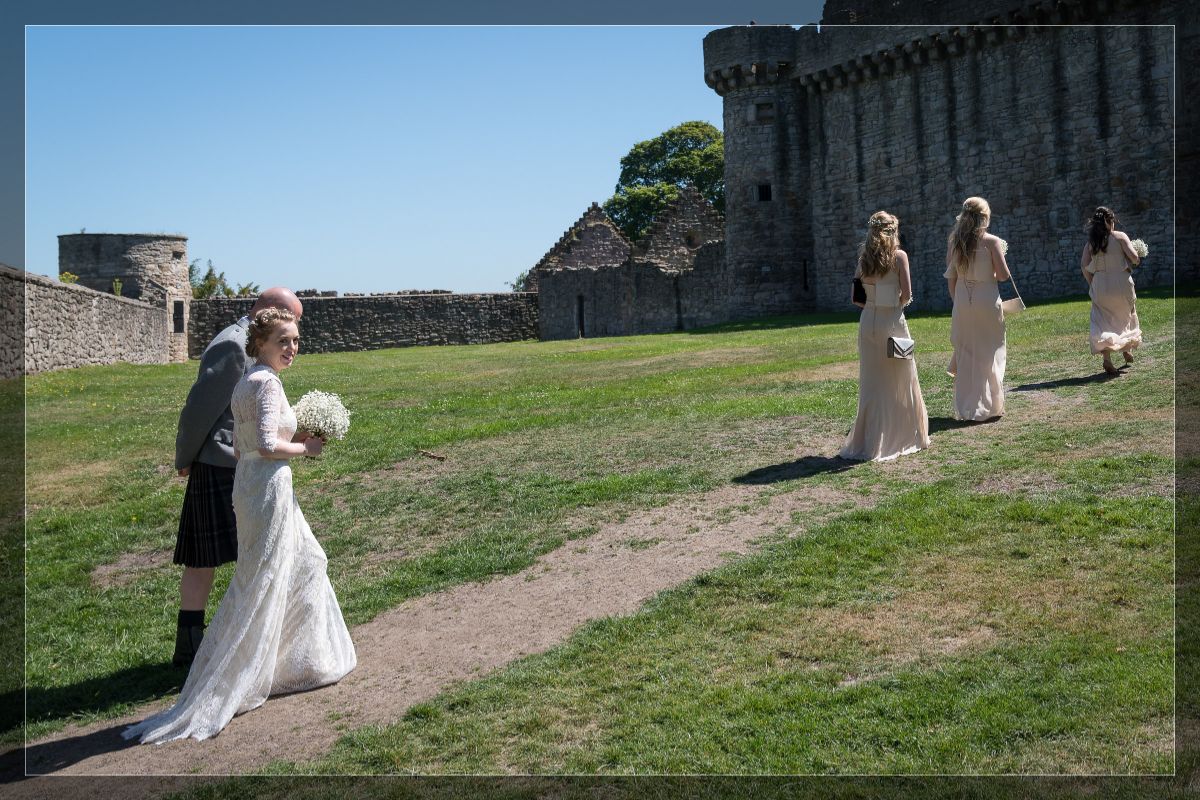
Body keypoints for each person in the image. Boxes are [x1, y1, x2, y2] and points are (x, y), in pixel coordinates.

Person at [126, 307, 356, 743]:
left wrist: (258, 461)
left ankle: (293, 657)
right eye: (283, 341)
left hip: (249, 485)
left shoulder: (245, 382)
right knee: (265, 575)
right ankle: (265, 667)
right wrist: (307, 448)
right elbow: (269, 444)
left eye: (295, 340)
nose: (292, 348)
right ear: (261, 344)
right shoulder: (267, 384)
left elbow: (241, 446)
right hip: (266, 489)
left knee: (303, 561)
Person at [170, 287, 304, 667]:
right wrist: (185, 457)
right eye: (290, 321)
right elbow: (200, 408)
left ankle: (247, 638)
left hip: (243, 463)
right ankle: (191, 643)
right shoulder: (233, 344)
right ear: (272, 313)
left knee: (252, 554)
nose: (293, 335)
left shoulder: (259, 347)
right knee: (206, 556)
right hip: (221, 462)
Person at [840, 211, 930, 461]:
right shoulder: (899, 257)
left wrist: (873, 305)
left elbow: (856, 298)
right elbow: (907, 293)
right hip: (892, 320)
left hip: (868, 321)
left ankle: (871, 439)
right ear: (893, 231)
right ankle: (903, 434)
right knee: (902, 376)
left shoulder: (863, 260)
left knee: (873, 381)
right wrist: (893, 304)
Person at [944, 197, 1010, 422]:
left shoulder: (955, 242)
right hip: (986, 297)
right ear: (985, 217)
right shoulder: (991, 242)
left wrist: (958, 300)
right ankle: (991, 404)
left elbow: (950, 277)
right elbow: (1003, 275)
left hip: (963, 299)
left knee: (966, 352)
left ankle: (967, 405)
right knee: (990, 350)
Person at [1081, 206, 1142, 374]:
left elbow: (1084, 266)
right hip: (1121, 282)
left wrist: (1092, 282)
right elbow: (1135, 258)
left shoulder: (1091, 243)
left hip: (1100, 283)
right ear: (1110, 221)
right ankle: (1126, 349)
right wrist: (1136, 256)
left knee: (1101, 320)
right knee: (1127, 314)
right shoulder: (1120, 237)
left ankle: (1107, 359)